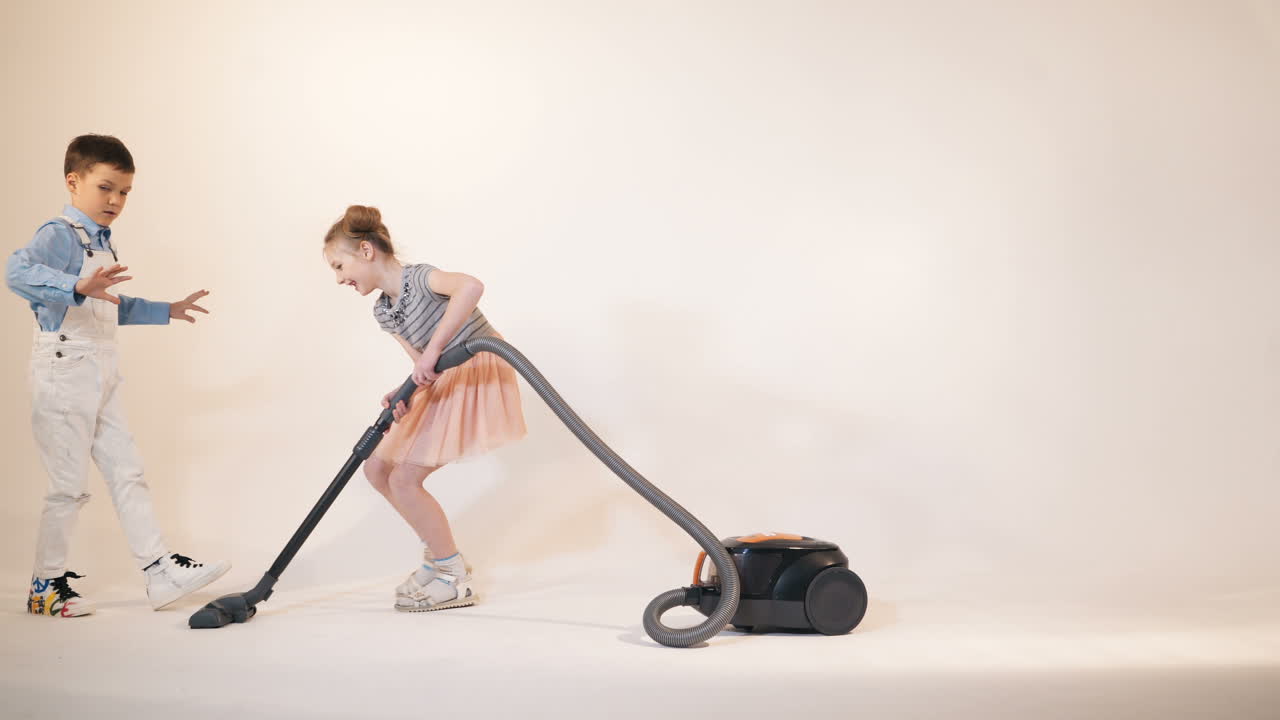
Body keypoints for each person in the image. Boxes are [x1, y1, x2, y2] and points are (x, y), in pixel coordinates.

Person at [6, 134, 230, 617]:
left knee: (128, 472)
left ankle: (159, 573)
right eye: (106, 187)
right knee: (68, 485)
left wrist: (164, 310)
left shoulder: (100, 241)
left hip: (100, 370)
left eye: (125, 192)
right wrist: (73, 284)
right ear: (74, 181)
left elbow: (103, 305)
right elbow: (14, 271)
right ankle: (44, 587)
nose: (116, 200)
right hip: (64, 368)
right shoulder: (59, 233)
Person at [322, 204, 526, 611]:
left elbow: (471, 286)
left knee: (404, 479)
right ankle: (437, 556)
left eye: (339, 265)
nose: (340, 278)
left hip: (477, 368)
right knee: (377, 468)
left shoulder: (421, 277)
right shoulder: (383, 310)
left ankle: (454, 575)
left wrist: (433, 352)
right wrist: (402, 393)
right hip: (446, 378)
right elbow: (421, 366)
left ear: (366, 251)